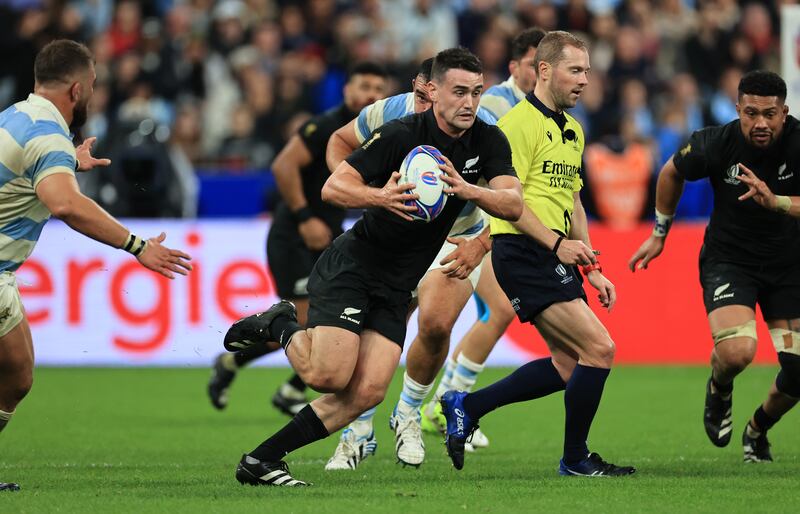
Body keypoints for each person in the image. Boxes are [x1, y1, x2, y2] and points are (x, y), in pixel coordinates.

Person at [223, 47, 522, 486]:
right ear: (432, 91)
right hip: (356, 267)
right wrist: (378, 196)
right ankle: (281, 323)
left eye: (476, 92)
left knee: (366, 393)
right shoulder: (400, 132)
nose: (469, 103)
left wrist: (469, 190)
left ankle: (260, 461)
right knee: (328, 376)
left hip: (398, 284)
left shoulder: (488, 139)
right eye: (459, 92)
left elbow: (514, 204)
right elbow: (333, 187)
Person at [440, 31, 635, 477]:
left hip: (553, 253)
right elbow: (509, 204)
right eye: (575, 70)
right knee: (599, 349)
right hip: (524, 251)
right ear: (544, 70)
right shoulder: (516, 126)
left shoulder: (574, 131)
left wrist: (593, 267)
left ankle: (467, 406)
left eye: (587, 71)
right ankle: (575, 459)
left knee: (568, 365)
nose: (584, 80)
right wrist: (556, 244)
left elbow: (573, 202)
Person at [0, 39, 192, 492]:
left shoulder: (16, 116)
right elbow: (66, 205)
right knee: (16, 373)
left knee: (16, 373)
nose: (93, 93)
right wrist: (137, 246)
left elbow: (30, 173)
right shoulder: (49, 136)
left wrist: (66, 163)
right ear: (76, 89)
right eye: (92, 84)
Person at [322, 57, 498, 469]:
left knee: (436, 324)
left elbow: (516, 196)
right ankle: (357, 430)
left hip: (454, 237)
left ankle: (408, 413)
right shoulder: (389, 114)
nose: (426, 107)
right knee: (378, 330)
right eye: (420, 96)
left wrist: (482, 244)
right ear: (421, 86)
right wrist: (365, 189)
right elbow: (339, 142)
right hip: (394, 237)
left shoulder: (484, 127)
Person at [629, 70, 800, 463]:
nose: (760, 123)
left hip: (789, 266)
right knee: (738, 352)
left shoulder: (798, 142)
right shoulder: (715, 143)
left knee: (798, 373)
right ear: (738, 110)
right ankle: (720, 388)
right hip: (730, 261)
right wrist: (659, 232)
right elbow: (671, 172)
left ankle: (757, 428)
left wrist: (776, 202)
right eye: (751, 113)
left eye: (769, 114)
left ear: (784, 113)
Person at [207, 62, 388, 416]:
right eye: (364, 86)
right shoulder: (326, 126)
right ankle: (244, 367)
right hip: (294, 236)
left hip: (331, 238)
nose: (371, 95)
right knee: (307, 321)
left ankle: (285, 386)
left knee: (343, 319)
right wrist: (305, 218)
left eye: (378, 89)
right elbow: (283, 166)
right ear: (347, 90)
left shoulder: (378, 132)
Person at [420, 26, 546, 444]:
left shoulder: (544, 111)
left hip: (499, 223)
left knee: (500, 310)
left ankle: (445, 402)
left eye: (547, 66)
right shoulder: (493, 104)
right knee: (489, 310)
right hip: (473, 224)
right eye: (534, 65)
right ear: (515, 67)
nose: (541, 73)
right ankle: (438, 404)